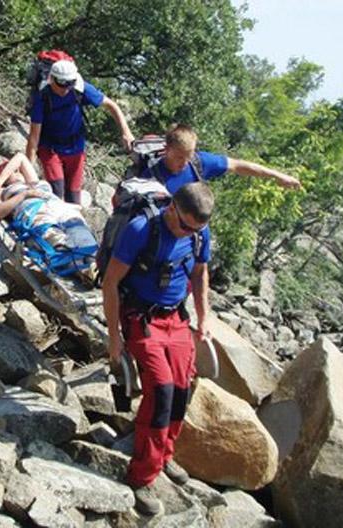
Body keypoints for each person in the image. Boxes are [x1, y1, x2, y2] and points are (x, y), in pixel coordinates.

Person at [102, 182, 214, 516]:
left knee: (181, 390)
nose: (188, 233)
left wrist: (204, 317)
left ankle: (165, 455)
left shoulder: (197, 232)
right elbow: (110, 282)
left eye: (196, 228)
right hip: (141, 318)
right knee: (161, 392)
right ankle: (142, 476)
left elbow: (199, 274)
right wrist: (114, 338)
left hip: (176, 319)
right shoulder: (141, 230)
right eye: (184, 225)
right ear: (172, 208)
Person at [25, 59, 135, 204]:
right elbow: (34, 139)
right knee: (56, 193)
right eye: (61, 85)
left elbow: (111, 105)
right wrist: (28, 171)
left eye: (69, 85)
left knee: (73, 198)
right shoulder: (42, 97)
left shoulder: (80, 89)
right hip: (50, 149)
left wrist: (126, 132)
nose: (65, 90)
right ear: (52, 79)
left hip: (75, 148)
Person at [0, 152, 98, 279]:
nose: (17, 171)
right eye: (12, 170)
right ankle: (81, 269)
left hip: (59, 207)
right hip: (35, 210)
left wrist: (2, 177)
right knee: (58, 240)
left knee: (81, 232)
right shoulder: (1, 191)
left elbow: (20, 157)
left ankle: (94, 265)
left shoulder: (33, 182)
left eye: (15, 169)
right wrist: (23, 194)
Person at [143, 123, 302, 193]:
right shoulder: (149, 171)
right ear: (166, 149)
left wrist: (278, 175)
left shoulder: (199, 163)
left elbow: (238, 165)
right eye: (179, 157)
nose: (184, 163)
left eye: (188, 156)